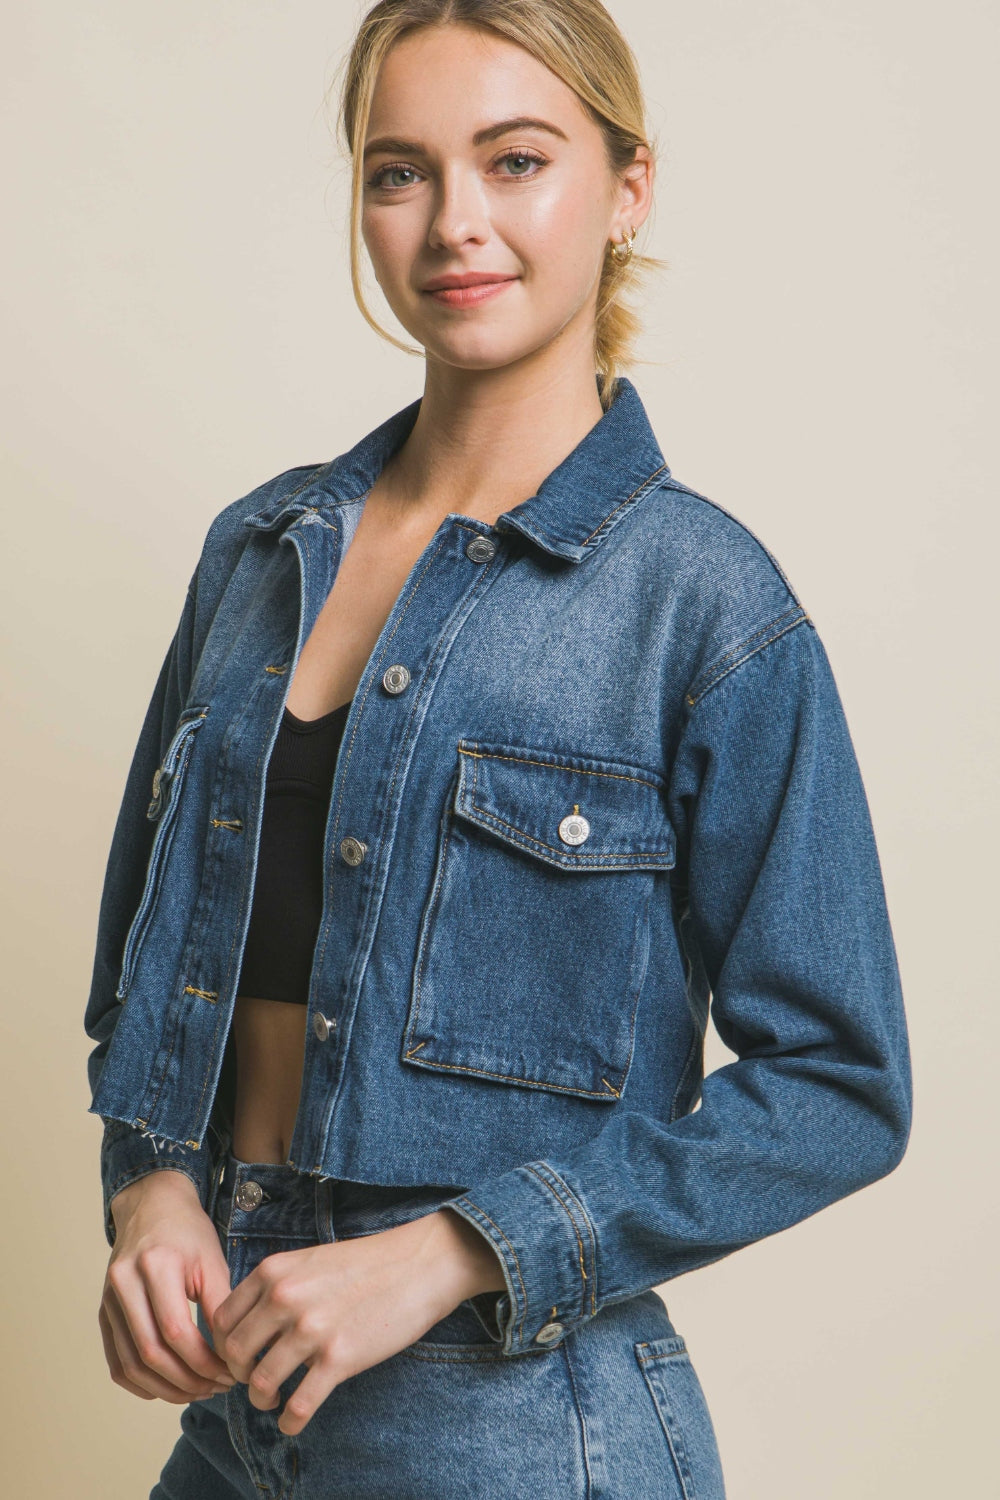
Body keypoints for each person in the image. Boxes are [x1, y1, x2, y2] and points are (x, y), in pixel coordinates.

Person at [84, 3, 913, 1496]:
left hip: (512, 1423)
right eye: (400, 172)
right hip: (230, 1395)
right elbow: (144, 984)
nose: (455, 222)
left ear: (628, 188)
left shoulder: (703, 605)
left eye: (515, 160)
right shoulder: (260, 553)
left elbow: (841, 1082)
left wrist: (456, 1250)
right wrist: (150, 1193)